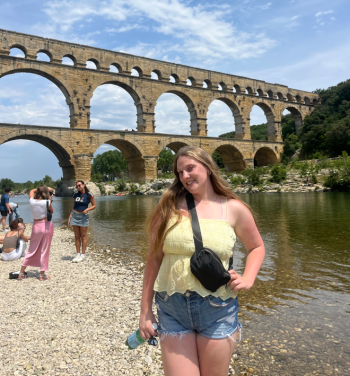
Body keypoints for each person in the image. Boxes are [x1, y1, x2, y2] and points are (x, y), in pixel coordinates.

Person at [139, 146, 265, 376]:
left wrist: (248, 278)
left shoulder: (233, 208)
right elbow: (153, 260)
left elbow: (256, 246)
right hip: (172, 307)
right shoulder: (167, 208)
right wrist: (145, 311)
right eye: (180, 172)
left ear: (207, 168)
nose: (185, 176)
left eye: (190, 168)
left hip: (217, 308)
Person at [18, 185, 54, 281]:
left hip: (36, 225)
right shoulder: (47, 201)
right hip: (46, 225)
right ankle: (42, 275)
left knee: (32, 249)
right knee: (45, 249)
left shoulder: (32, 201)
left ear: (37, 192)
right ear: (45, 193)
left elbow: (31, 190)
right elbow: (52, 211)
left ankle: (21, 272)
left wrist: (41, 188)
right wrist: (49, 195)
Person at [68, 180, 96, 263]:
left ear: (83, 185)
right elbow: (73, 206)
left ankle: (83, 255)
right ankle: (78, 254)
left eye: (79, 185)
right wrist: (70, 217)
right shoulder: (75, 195)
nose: (78, 187)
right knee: (76, 236)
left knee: (83, 236)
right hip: (75, 215)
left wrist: (87, 209)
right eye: (77, 186)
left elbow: (94, 206)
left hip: (83, 216)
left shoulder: (89, 194)